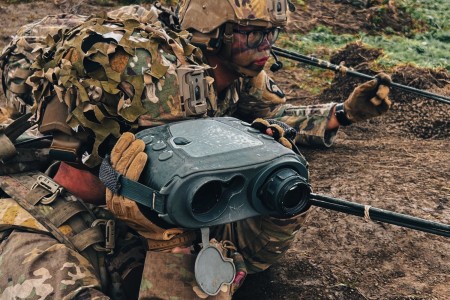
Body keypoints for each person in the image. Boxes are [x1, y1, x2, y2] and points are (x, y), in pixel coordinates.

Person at [0, 1, 392, 299]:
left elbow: (244, 263)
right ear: (87, 143)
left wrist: (273, 211)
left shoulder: (154, 195)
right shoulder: (32, 252)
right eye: (163, 137)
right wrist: (168, 249)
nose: (188, 151)